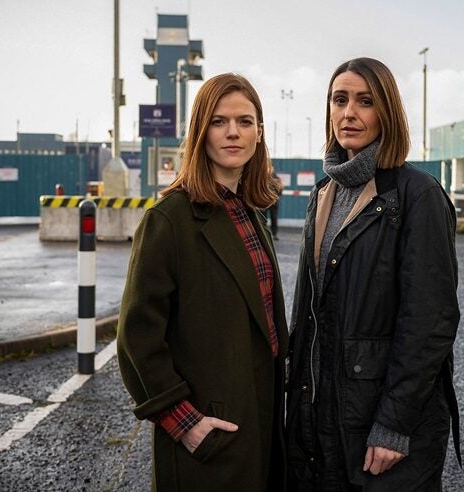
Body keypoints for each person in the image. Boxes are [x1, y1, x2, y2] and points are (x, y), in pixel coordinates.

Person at [285, 57, 461, 491]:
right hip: (321, 414)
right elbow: (308, 312)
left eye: (365, 101)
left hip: (379, 424)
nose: (349, 113)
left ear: (387, 112)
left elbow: (430, 321)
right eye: (339, 99)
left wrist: (393, 423)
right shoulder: (323, 193)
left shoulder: (417, 194)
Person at [117, 73, 289, 492]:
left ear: (259, 133)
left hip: (261, 420)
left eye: (245, 122)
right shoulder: (169, 220)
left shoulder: (250, 213)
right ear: (200, 133)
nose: (233, 132)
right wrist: (184, 422)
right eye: (218, 121)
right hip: (210, 432)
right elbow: (136, 336)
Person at [267, 169, 284, 240]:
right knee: (273, 218)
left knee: (264, 218)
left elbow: (280, 189)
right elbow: (280, 190)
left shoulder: (265, 178)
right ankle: (274, 234)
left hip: (267, 201)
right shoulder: (277, 179)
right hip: (272, 202)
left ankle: (270, 234)